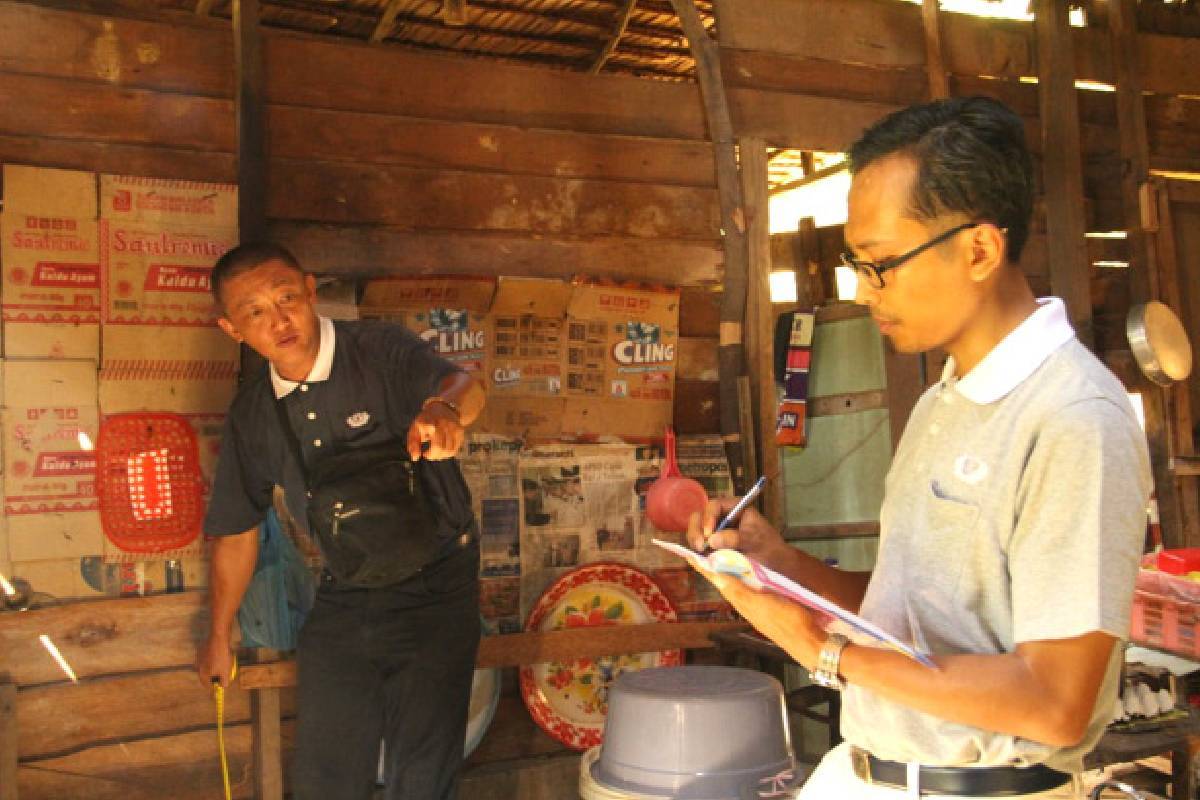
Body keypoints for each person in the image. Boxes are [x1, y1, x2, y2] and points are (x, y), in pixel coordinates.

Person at [688, 97, 1151, 799]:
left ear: (979, 250)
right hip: (874, 772)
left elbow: (1057, 705)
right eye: (857, 263)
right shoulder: (945, 398)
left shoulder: (1074, 418)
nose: (866, 290)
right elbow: (908, 617)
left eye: (882, 264)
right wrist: (779, 564)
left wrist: (820, 648)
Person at [195, 242, 486, 800]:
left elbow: (465, 386)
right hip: (347, 589)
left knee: (422, 775)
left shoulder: (376, 349)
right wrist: (217, 635)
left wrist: (443, 411)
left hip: (436, 585)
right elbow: (236, 531)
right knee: (326, 775)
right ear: (232, 328)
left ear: (309, 290)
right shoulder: (254, 412)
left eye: (285, 298)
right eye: (255, 311)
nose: (278, 320)